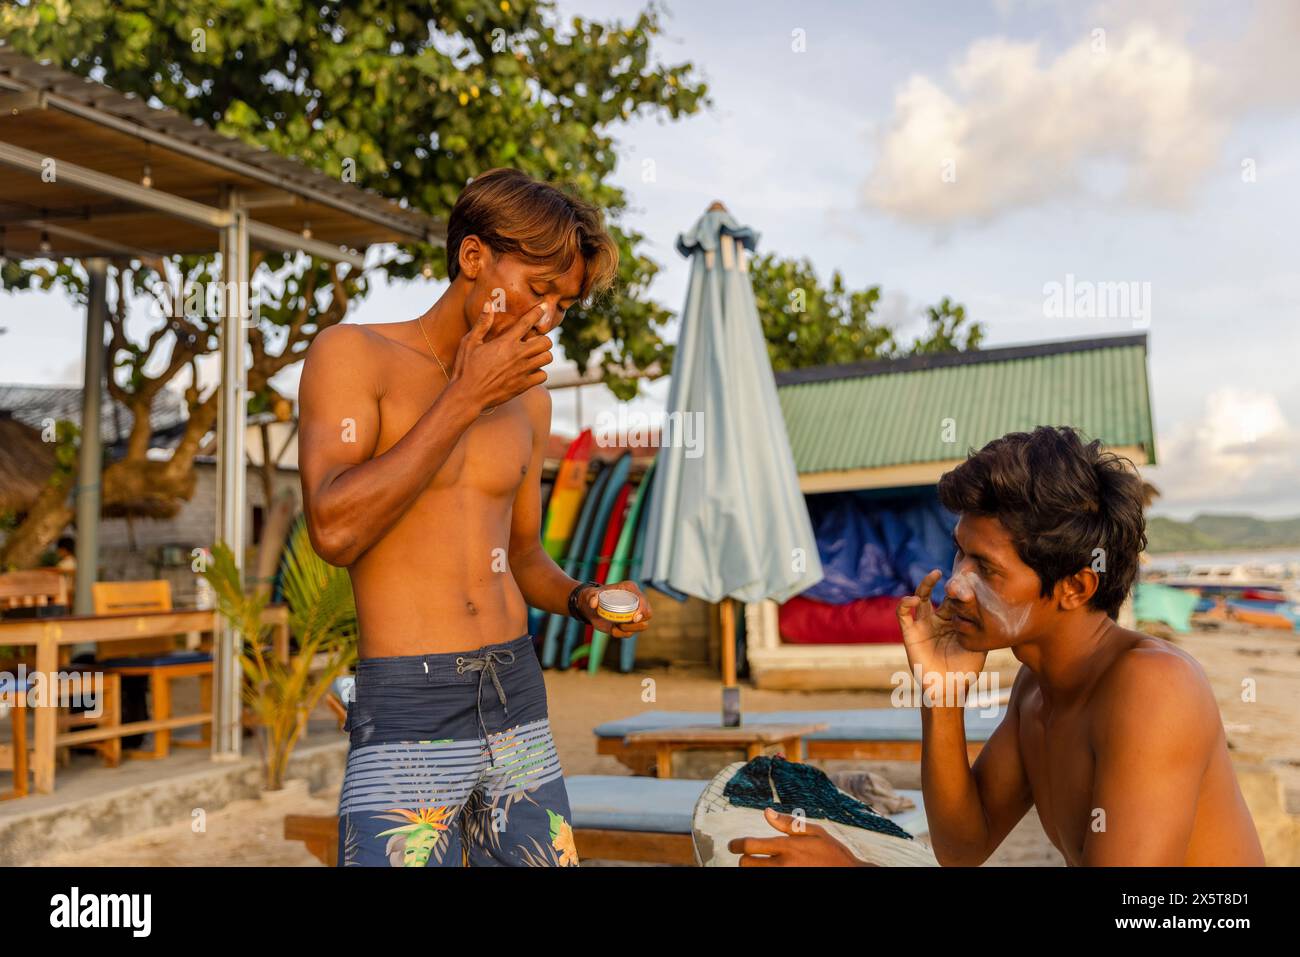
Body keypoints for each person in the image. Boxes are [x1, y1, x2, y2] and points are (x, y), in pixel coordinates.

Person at [298, 168, 653, 867]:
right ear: (473, 258)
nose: (547, 316)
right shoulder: (353, 354)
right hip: (408, 703)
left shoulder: (530, 403)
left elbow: (522, 558)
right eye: (539, 289)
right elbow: (334, 529)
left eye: (564, 303)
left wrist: (584, 599)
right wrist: (464, 396)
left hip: (517, 695)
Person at [730, 427, 1264, 866]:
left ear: (1076, 587)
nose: (955, 585)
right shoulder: (1038, 685)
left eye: (985, 567)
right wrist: (942, 695)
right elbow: (963, 847)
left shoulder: (1152, 688)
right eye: (960, 554)